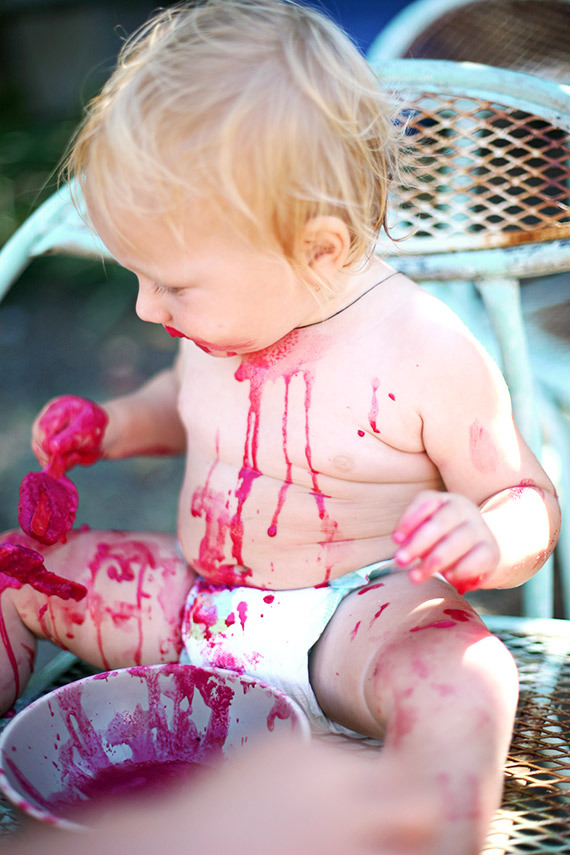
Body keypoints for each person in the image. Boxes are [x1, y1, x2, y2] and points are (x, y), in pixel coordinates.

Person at [0, 1, 560, 852]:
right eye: (140, 279)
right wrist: (112, 424)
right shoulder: (218, 320)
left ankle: (428, 819)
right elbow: (176, 404)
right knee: (22, 573)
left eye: (175, 285)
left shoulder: (425, 351)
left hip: (354, 622)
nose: (149, 307)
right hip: (191, 603)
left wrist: (487, 534)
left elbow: (527, 498)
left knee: (464, 673)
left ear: (321, 247)